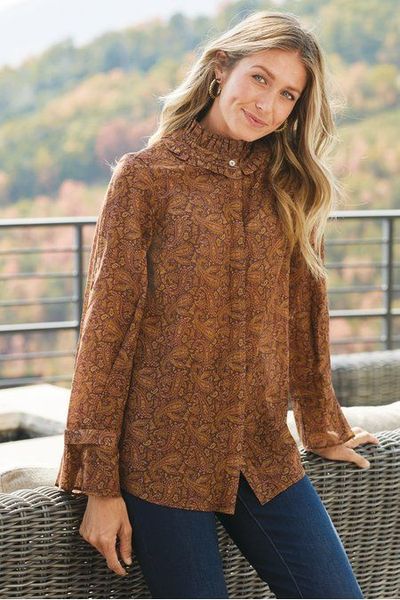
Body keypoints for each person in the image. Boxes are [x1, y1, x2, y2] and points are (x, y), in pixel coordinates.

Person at [54, 9, 381, 599]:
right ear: (220, 69)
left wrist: (321, 425)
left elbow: (304, 317)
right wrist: (100, 485)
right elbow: (107, 334)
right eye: (259, 78)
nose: (267, 104)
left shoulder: (290, 186)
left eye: (287, 95)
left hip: (262, 450)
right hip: (161, 457)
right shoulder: (146, 178)